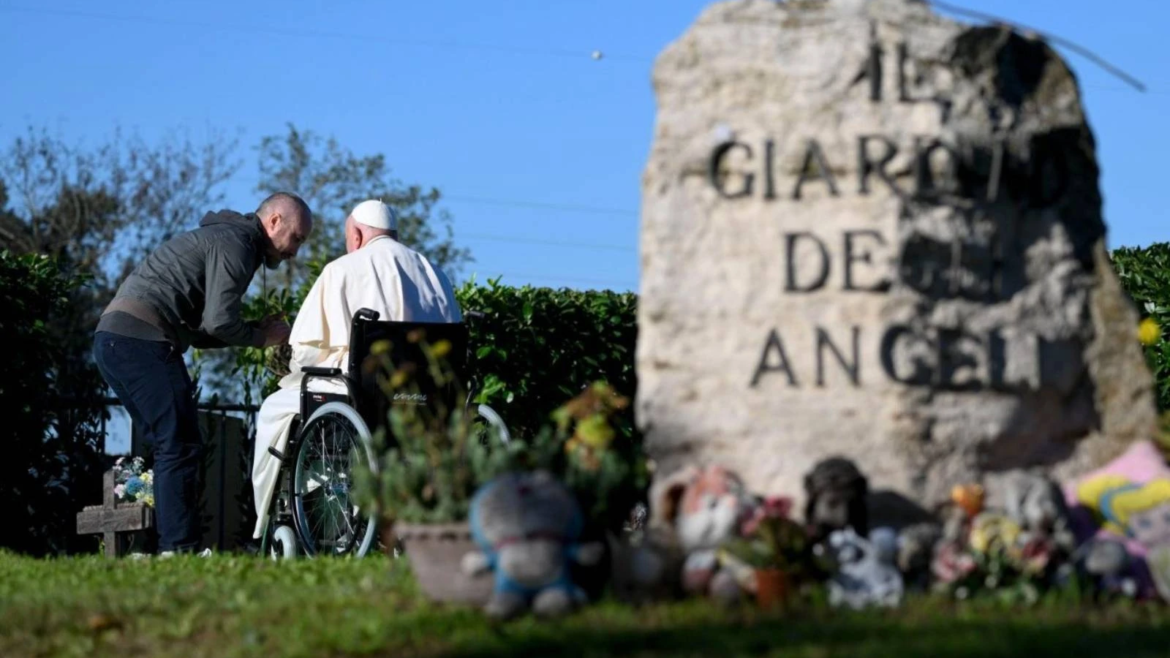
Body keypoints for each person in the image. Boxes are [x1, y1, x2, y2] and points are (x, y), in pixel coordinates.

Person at [93, 192, 313, 555]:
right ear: (274, 222)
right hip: (140, 339)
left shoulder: (225, 239)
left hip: (115, 339)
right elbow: (221, 322)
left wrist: (256, 329)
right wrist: (263, 338)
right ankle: (178, 549)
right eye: (296, 239)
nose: (295, 251)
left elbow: (202, 332)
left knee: (169, 445)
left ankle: (158, 546)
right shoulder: (238, 245)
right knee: (178, 443)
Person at [251, 199, 462, 541]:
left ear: (358, 234)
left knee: (273, 410)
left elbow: (305, 351)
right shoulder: (434, 274)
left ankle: (264, 525)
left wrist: (293, 369)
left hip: (360, 395)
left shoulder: (343, 269)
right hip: (424, 397)